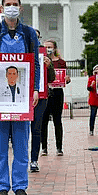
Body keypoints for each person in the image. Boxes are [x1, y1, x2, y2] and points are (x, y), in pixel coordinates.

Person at [0, 0, 40, 195]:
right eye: (8, 4)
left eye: (15, 4)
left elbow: (35, 64)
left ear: (21, 8)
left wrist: (35, 89)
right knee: (0, 144)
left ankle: (21, 185)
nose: (12, 7)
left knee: (22, 143)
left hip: (23, 98)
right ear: (2, 7)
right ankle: (1, 186)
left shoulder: (29, 34)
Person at [30, 32, 54, 172]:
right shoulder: (23, 49)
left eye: (37, 36)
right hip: (24, 96)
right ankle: (22, 159)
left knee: (36, 129)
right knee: (21, 130)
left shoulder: (43, 54)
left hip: (41, 97)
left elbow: (51, 78)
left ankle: (34, 160)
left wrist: (49, 65)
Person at [41, 38, 69, 157]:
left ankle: (59, 147)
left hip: (57, 92)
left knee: (57, 120)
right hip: (45, 93)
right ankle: (44, 148)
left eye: (50, 47)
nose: (48, 49)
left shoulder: (61, 62)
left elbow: (65, 77)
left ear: (54, 48)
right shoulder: (40, 61)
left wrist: (66, 79)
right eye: (45, 47)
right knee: (44, 121)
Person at [87, 64, 98, 135]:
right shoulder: (91, 78)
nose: (97, 71)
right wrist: (91, 85)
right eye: (95, 69)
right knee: (92, 115)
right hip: (93, 99)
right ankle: (91, 130)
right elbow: (88, 88)